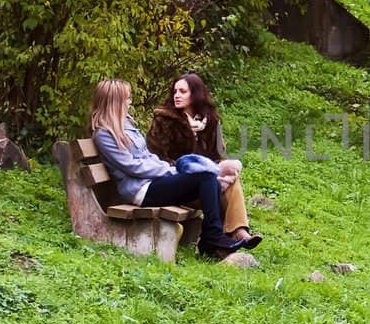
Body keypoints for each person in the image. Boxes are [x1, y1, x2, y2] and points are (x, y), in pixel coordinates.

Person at [88, 79, 243, 260]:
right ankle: (213, 239)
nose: (129, 102)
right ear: (115, 102)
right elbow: (131, 166)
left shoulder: (126, 125)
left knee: (210, 180)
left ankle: (211, 241)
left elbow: (147, 156)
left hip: (154, 182)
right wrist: (169, 171)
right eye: (126, 99)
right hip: (141, 190)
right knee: (206, 177)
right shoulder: (104, 134)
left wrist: (168, 168)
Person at [147, 73, 261, 250]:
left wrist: (218, 170)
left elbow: (219, 156)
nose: (177, 95)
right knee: (214, 184)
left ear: (196, 94)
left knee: (230, 178)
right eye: (175, 91)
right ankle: (233, 234)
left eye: (183, 91)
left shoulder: (211, 121)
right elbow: (156, 157)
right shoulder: (165, 120)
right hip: (179, 184)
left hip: (207, 183)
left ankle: (235, 234)